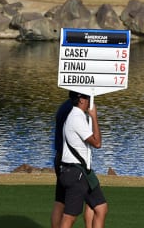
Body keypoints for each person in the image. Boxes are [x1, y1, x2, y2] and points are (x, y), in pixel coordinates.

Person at [56, 91, 107, 228]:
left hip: (82, 172)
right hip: (76, 174)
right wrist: (94, 117)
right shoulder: (76, 118)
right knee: (69, 217)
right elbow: (97, 143)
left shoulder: (75, 115)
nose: (90, 100)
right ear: (81, 100)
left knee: (100, 207)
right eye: (88, 97)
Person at [51, 92, 94, 228]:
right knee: (91, 200)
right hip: (73, 161)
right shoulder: (75, 112)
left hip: (60, 157)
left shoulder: (64, 107)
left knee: (60, 201)